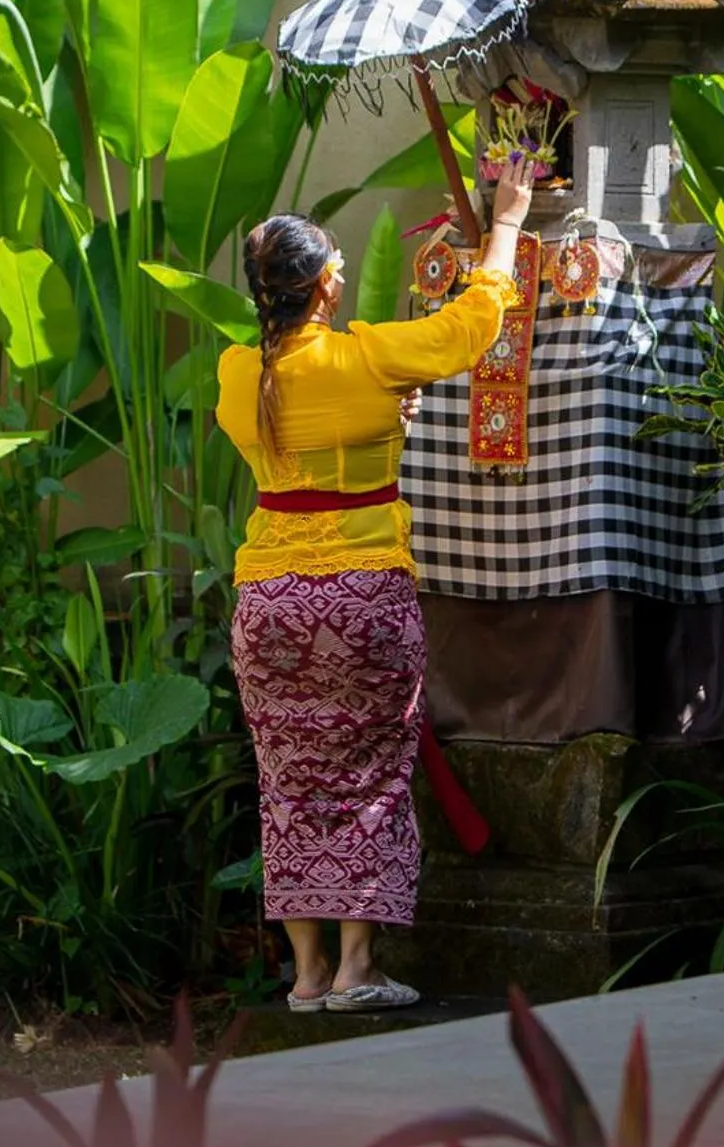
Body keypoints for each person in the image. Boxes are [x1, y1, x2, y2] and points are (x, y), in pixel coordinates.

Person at [215, 159, 534, 1012]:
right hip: (358, 596)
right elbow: (471, 324)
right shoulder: (368, 356)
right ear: (322, 286)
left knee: (289, 780)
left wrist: (377, 416)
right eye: (338, 267)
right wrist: (506, 221)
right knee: (369, 774)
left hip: (268, 604)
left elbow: (303, 423)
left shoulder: (237, 374)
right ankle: (356, 969)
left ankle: (306, 975)